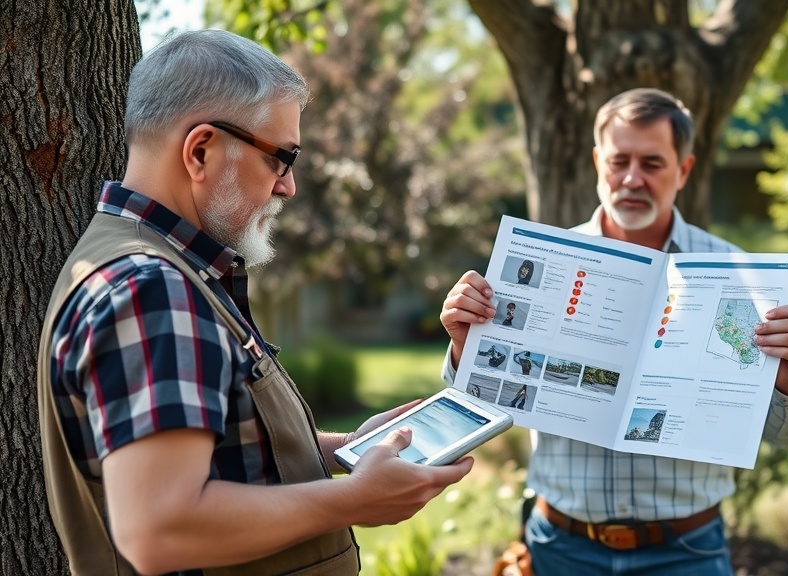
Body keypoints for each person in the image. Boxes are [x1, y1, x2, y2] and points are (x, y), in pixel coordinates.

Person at [36, 30, 472, 576]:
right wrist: (355, 499)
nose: (288, 187)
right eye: (281, 159)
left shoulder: (150, 266)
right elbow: (159, 528)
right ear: (200, 150)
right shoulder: (151, 287)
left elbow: (215, 446)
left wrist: (346, 450)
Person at [439, 88, 788, 575]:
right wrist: (463, 348)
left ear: (683, 170)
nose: (632, 178)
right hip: (560, 547)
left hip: (686, 553)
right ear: (598, 162)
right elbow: (475, 413)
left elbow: (783, 437)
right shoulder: (537, 267)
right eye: (619, 160)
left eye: (653, 163)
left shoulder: (740, 276)